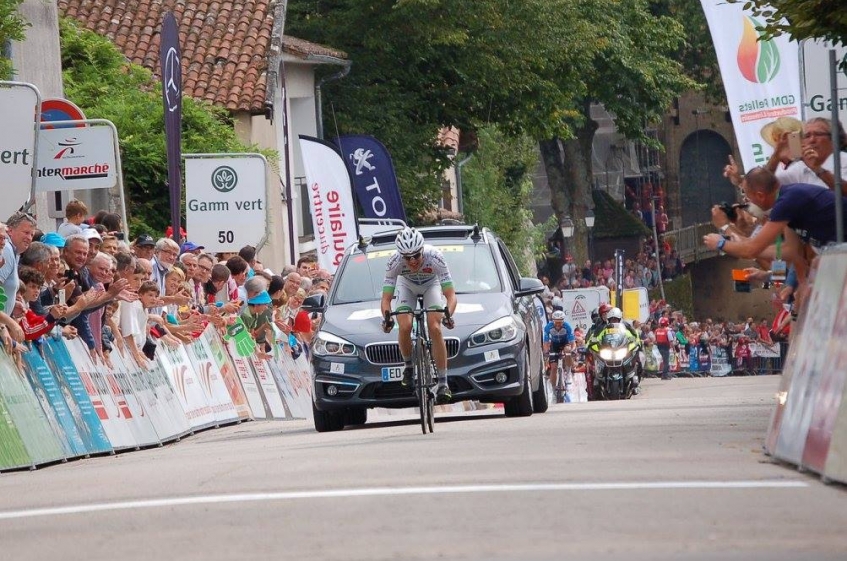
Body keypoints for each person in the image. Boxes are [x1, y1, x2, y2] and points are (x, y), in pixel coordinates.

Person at [380, 227, 457, 404]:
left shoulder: (435, 257)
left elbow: (451, 295)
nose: (413, 261)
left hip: (432, 285)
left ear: (422, 250)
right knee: (405, 326)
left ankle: (443, 383)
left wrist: (448, 315)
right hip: (407, 286)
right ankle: (408, 366)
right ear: (401, 256)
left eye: (416, 255)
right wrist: (387, 318)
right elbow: (386, 299)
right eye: (407, 257)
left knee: (435, 327)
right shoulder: (394, 261)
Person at [542, 310, 575, 393]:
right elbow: (545, 342)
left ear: (563, 321)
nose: (558, 324)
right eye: (556, 322)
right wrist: (546, 352)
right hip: (554, 345)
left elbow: (572, 343)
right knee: (553, 368)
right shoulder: (548, 327)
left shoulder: (567, 327)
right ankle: (553, 389)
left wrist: (572, 350)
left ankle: (568, 373)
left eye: (560, 322)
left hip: (565, 343)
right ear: (553, 321)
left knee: (568, 351)